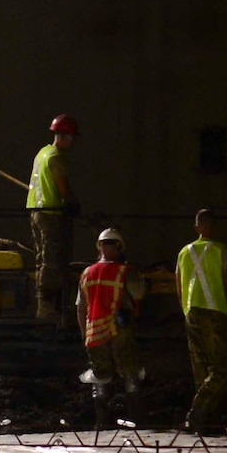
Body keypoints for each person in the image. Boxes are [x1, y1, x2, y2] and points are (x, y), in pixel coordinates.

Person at [175, 209, 227, 435]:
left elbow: (179, 286)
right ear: (214, 226)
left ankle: (208, 421)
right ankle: (196, 415)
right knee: (224, 369)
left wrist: (186, 312)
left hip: (192, 314)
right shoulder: (222, 251)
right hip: (217, 314)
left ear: (196, 227)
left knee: (202, 371)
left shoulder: (183, 253)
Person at [78, 227, 145, 426]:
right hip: (119, 329)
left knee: (100, 377)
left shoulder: (86, 273)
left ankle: (102, 423)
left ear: (99, 247)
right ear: (119, 247)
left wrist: (85, 334)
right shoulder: (126, 271)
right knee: (130, 373)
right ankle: (137, 421)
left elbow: (81, 307)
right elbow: (139, 294)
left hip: (94, 333)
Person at [28, 114, 80, 323]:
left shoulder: (42, 153)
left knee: (42, 260)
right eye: (72, 138)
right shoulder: (56, 158)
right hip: (50, 215)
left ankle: (45, 306)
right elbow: (63, 190)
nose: (73, 143)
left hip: (36, 212)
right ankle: (48, 309)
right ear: (63, 136)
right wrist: (74, 204)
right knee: (52, 262)